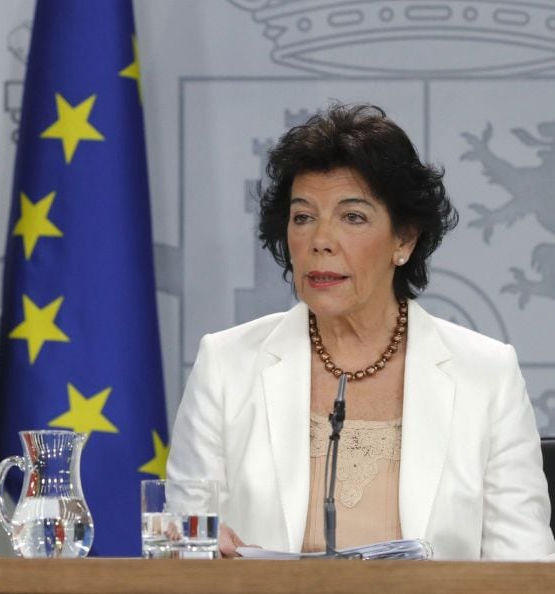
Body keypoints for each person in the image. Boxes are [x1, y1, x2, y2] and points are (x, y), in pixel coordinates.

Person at [167, 103, 555, 560]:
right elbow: (180, 545)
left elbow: (525, 571)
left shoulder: (486, 375)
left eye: (352, 217)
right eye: (303, 217)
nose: (320, 240)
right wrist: (197, 552)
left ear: (404, 239)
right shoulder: (227, 365)